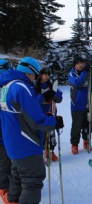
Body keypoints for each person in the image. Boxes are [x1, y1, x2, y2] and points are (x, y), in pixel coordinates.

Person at [0, 56, 64, 204]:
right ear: (29, 72)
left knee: (17, 177)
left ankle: (13, 201)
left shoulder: (6, 86)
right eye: (35, 74)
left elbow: (24, 112)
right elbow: (36, 120)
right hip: (26, 144)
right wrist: (54, 122)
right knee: (32, 181)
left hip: (12, 143)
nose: (35, 78)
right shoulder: (21, 87)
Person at [68, 56, 92, 154]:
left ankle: (87, 141)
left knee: (88, 124)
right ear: (74, 65)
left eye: (82, 63)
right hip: (76, 105)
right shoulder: (72, 74)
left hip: (88, 103)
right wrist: (85, 72)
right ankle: (74, 144)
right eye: (78, 63)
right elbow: (78, 84)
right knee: (76, 125)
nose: (80, 65)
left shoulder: (88, 72)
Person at [34, 67, 63, 162]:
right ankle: (40, 154)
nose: (47, 77)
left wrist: (54, 94)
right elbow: (33, 102)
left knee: (51, 134)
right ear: (40, 75)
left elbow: (59, 98)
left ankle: (50, 151)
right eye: (45, 74)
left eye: (48, 75)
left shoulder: (51, 85)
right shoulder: (35, 87)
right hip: (40, 114)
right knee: (40, 135)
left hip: (51, 112)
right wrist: (43, 96)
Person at [0, 59, 12, 204]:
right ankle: (3, 188)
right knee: (4, 161)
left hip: (9, 129)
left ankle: (10, 185)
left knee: (10, 160)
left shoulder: (7, 87)